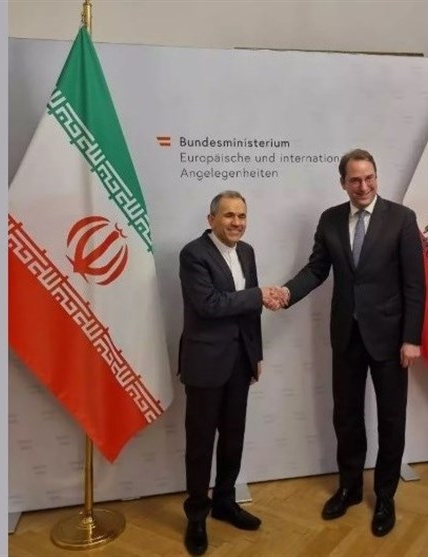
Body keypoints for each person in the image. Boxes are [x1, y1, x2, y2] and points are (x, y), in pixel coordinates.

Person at [272, 148, 425, 537]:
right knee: (347, 416)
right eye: (355, 180)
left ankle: (385, 496)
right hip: (346, 337)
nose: (363, 186)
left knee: (391, 419)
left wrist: (411, 338)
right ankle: (350, 488)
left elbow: (415, 284)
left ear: (376, 177)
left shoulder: (402, 219)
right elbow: (316, 270)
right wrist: (287, 293)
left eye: (369, 177)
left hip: (390, 339)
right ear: (343, 182)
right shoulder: (330, 219)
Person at [178, 190, 280, 555]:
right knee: (200, 444)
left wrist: (256, 355)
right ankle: (196, 516)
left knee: (233, 438)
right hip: (205, 363)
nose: (237, 222)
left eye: (242, 216)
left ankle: (224, 502)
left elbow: (250, 312)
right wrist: (259, 294)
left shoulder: (247, 252)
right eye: (228, 215)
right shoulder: (193, 254)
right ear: (211, 220)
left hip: (239, 362)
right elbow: (208, 304)